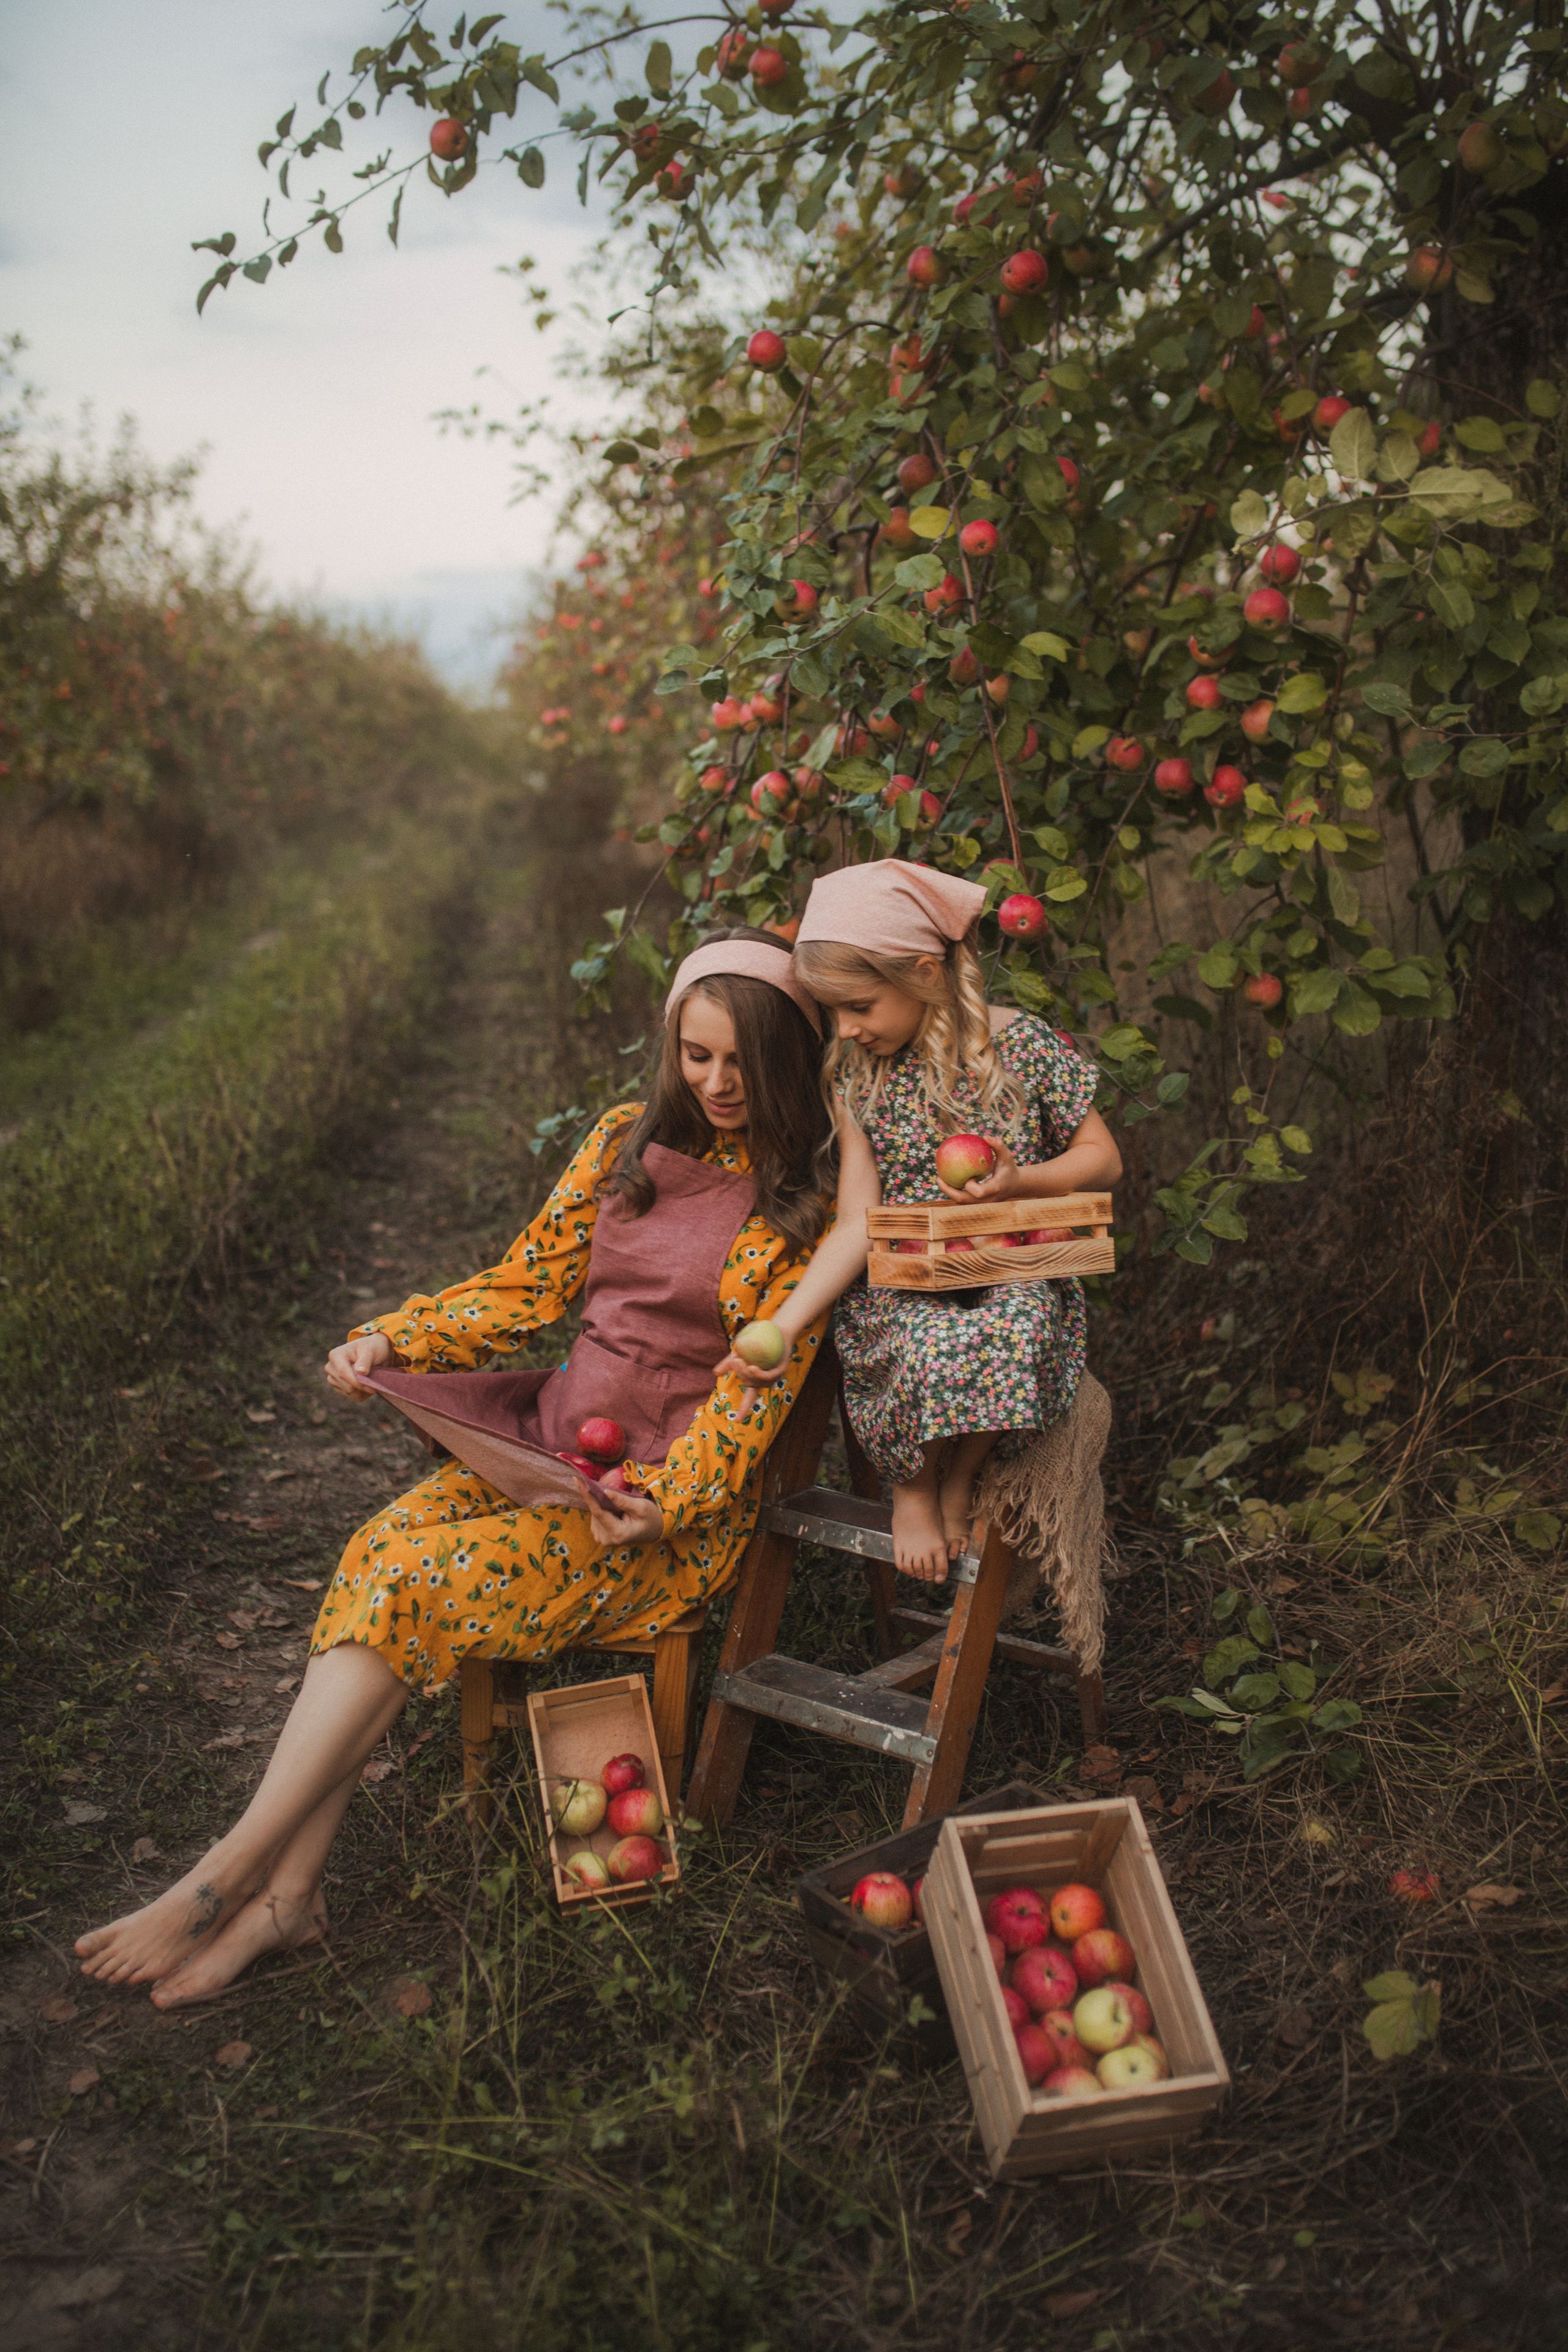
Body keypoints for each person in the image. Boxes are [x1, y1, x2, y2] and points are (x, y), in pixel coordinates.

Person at [75, 928, 834, 2004]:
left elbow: (753, 1396)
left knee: (414, 1581)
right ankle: (290, 1897)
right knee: (379, 1545)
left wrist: (666, 1502)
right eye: (696, 1054)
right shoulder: (627, 1146)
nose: (717, 1082)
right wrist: (397, 1340)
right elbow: (524, 1288)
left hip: (653, 1515)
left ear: (789, 1058)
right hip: (547, 1454)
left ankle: (228, 1874)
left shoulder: (798, 1211)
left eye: (742, 1061)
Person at [717, 862, 1121, 1581]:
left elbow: (1103, 1159)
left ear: (925, 972)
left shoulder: (1022, 1047)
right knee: (924, 1335)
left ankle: (959, 1476)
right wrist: (785, 1321)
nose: (843, 1028)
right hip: (901, 1285)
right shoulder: (856, 1076)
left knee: (1021, 1320)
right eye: (831, 1010)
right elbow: (855, 1223)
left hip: (1009, 1270)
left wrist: (1018, 1181)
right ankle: (913, 1486)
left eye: (859, 1006)